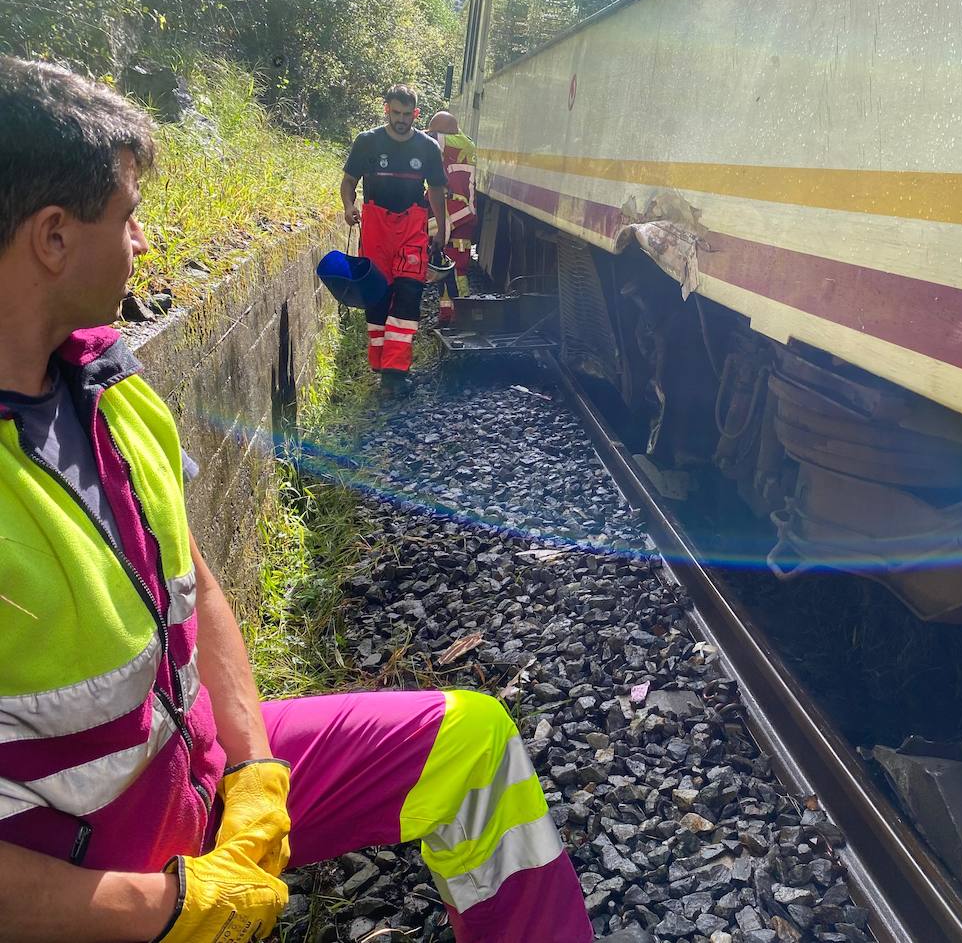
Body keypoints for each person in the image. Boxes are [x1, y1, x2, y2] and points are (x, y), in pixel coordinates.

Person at [0, 57, 614, 943]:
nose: (144, 243)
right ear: (53, 238)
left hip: (201, 774)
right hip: (94, 885)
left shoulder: (105, 383)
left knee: (472, 746)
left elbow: (197, 585)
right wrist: (169, 907)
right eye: (129, 218)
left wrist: (253, 770)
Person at [341, 85, 447, 393]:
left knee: (409, 292)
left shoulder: (427, 148)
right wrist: (349, 206)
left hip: (412, 226)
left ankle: (395, 373)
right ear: (386, 109)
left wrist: (441, 227)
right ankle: (380, 361)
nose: (401, 120)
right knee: (378, 295)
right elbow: (349, 182)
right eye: (396, 113)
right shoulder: (367, 142)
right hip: (375, 228)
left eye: (407, 114)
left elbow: (437, 191)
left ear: (416, 114)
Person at [425, 111, 479, 327]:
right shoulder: (463, 145)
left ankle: (462, 315)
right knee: (446, 266)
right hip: (456, 215)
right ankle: (448, 315)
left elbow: (423, 138)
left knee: (457, 270)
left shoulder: (452, 142)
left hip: (457, 215)